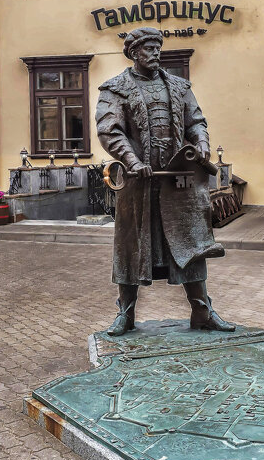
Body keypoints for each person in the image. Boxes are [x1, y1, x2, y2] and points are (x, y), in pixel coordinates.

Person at [95, 27, 235, 336]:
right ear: (133, 53)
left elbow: (196, 121)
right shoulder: (115, 89)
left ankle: (203, 311)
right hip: (137, 183)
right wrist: (131, 161)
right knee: (131, 248)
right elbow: (110, 130)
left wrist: (201, 145)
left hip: (177, 181)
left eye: (158, 47)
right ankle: (126, 315)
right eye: (148, 48)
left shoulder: (179, 86)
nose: (155, 52)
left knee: (193, 243)